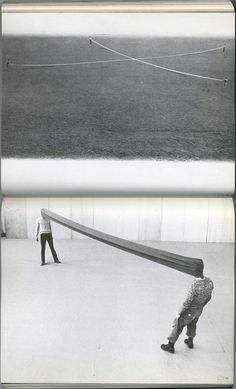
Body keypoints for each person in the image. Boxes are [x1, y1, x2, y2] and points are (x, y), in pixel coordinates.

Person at [161, 271, 214, 353]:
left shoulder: (194, 285)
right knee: (193, 323)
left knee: (179, 324)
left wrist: (179, 313)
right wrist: (202, 306)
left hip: (190, 310)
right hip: (199, 310)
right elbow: (209, 296)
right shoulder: (209, 281)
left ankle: (170, 345)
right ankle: (190, 340)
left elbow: (187, 302)